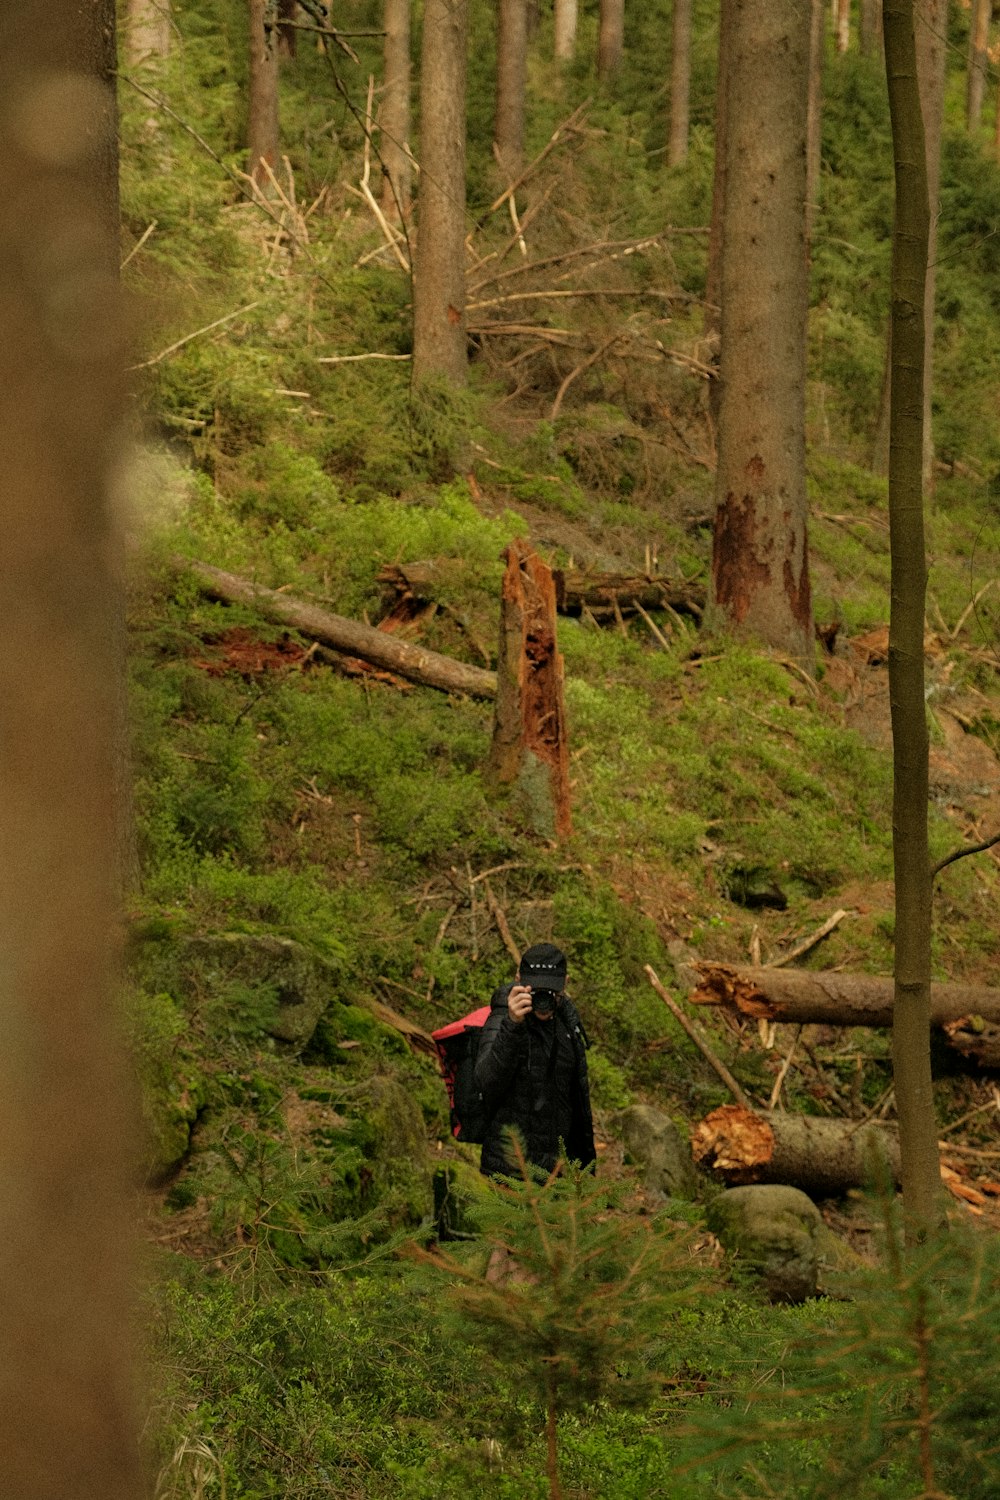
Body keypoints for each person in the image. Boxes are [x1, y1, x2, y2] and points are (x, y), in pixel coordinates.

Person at [474, 942, 596, 1178]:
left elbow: (578, 1101)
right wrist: (512, 1025)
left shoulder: (568, 1024)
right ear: (519, 979)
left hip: (558, 1174)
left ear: (565, 984)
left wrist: (584, 1169)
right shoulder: (502, 1018)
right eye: (536, 988)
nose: (544, 1000)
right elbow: (485, 1083)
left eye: (551, 991)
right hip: (509, 1172)